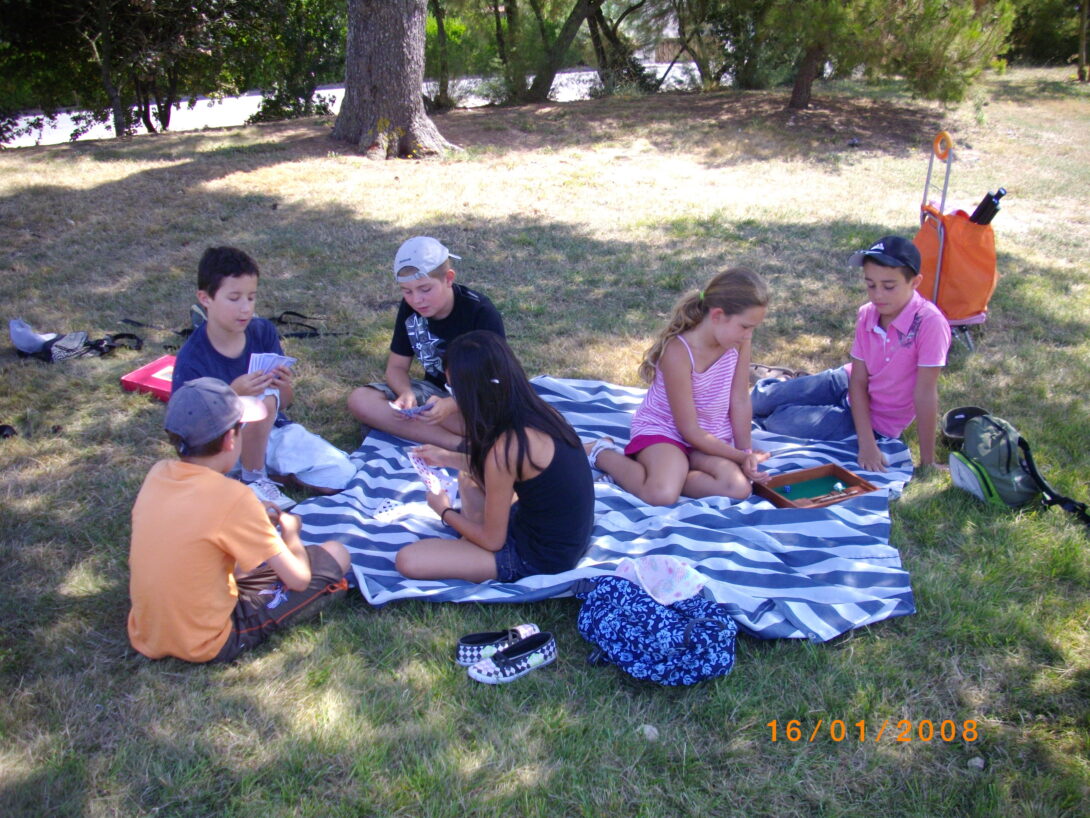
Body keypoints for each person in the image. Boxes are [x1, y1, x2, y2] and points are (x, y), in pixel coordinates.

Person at [128, 377, 351, 664]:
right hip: (209, 641)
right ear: (230, 440)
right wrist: (291, 534)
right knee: (336, 554)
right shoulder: (234, 497)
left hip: (147, 631)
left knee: (248, 563)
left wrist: (252, 519)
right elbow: (298, 579)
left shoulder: (158, 474)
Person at [394, 331, 594, 583]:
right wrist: (446, 457)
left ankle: (473, 550)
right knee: (468, 478)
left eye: (452, 389)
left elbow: (493, 541)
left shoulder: (506, 448)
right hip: (561, 535)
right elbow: (507, 471)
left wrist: (443, 510)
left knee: (409, 560)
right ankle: (470, 546)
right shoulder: (540, 412)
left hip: (539, 558)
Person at [172, 246, 354, 509]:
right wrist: (231, 396)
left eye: (251, 297)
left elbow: (284, 402)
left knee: (340, 474)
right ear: (205, 298)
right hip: (221, 448)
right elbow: (187, 433)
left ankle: (267, 476)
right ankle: (253, 479)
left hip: (270, 433)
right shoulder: (192, 359)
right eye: (234, 298)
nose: (245, 309)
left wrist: (283, 386)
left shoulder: (262, 332)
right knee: (260, 402)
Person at [751, 235, 952, 471]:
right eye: (870, 284)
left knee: (778, 421)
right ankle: (787, 387)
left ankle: (794, 392)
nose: (877, 295)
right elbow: (857, 380)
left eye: (889, 286)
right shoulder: (867, 313)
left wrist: (925, 461)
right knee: (758, 401)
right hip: (845, 381)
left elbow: (925, 394)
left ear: (915, 282)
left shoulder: (930, 323)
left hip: (877, 420)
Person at [587, 268, 770, 506]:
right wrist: (738, 457)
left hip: (709, 437)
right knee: (661, 495)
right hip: (666, 432)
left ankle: (664, 473)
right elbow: (689, 430)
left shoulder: (739, 341)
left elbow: (740, 400)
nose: (749, 335)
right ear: (717, 315)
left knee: (738, 488)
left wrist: (746, 455)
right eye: (745, 326)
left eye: (753, 328)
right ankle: (601, 452)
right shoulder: (678, 352)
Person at [347, 236, 505, 450]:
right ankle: (458, 445)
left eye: (425, 289)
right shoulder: (410, 309)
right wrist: (405, 392)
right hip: (433, 394)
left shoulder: (480, 312)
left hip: (476, 399)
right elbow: (396, 367)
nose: (416, 300)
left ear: (448, 278)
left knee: (489, 426)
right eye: (407, 291)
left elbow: (496, 380)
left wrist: (451, 405)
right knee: (360, 399)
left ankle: (410, 430)